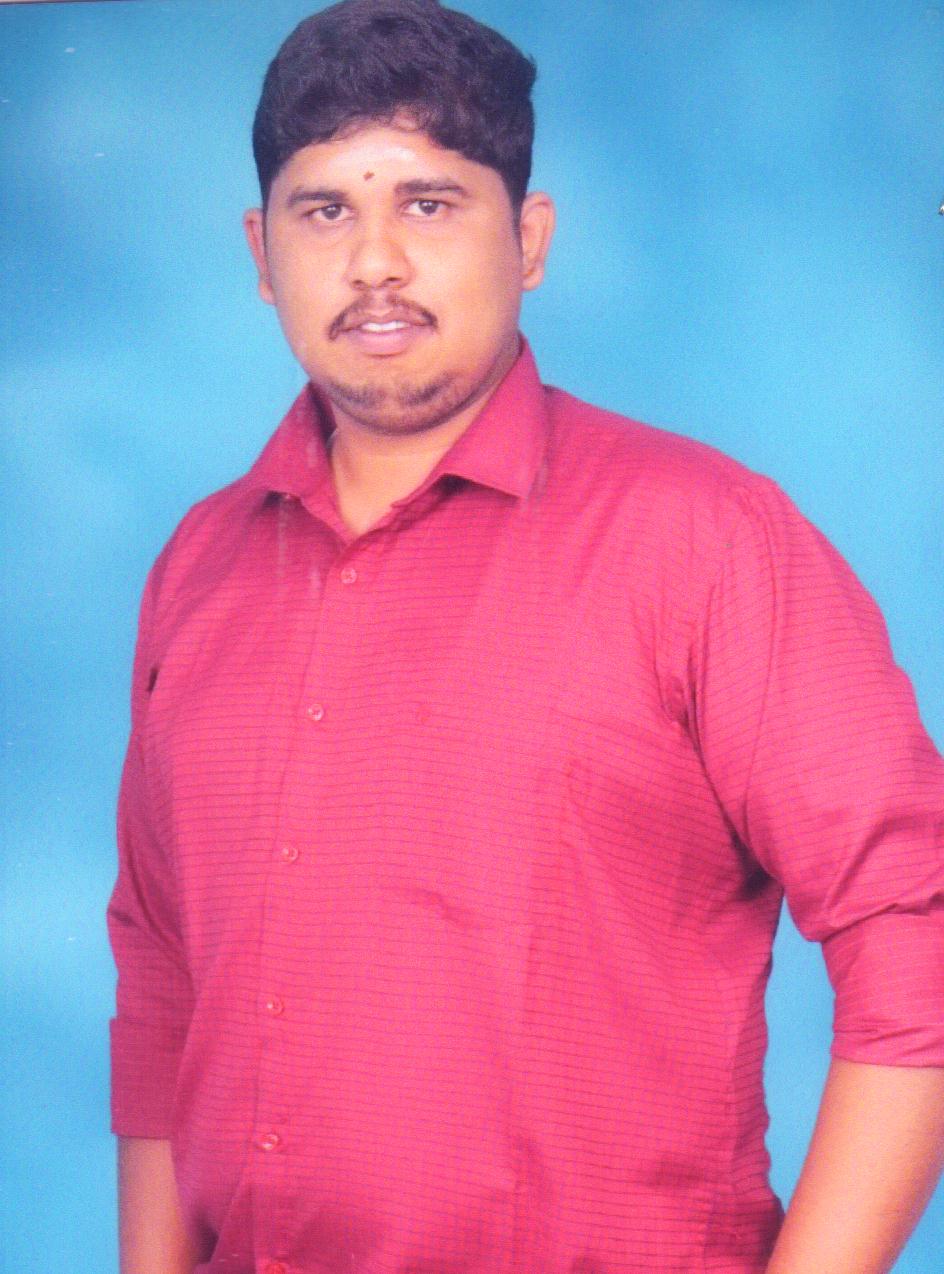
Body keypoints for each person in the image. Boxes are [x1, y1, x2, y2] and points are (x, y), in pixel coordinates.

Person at [107, 2, 944, 1271]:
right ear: (262, 252)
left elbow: (915, 924)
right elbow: (161, 977)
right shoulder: (199, 567)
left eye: (429, 203)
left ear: (530, 239)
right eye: (324, 209)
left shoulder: (703, 539)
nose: (374, 260)